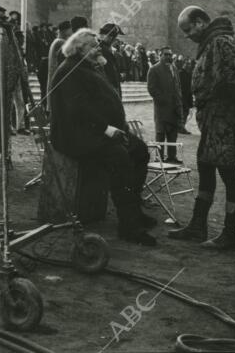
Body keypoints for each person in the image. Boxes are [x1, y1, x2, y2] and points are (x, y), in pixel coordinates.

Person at [49, 28, 156, 246]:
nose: (99, 47)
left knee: (140, 151)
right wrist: (107, 129)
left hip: (96, 131)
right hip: (75, 136)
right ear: (79, 50)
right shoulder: (71, 70)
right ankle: (128, 225)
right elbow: (77, 110)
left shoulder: (88, 66)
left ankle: (134, 211)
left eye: (98, 43)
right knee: (120, 158)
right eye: (93, 45)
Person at [169, 6, 235, 250]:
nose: (188, 35)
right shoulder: (213, 42)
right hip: (213, 121)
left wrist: (216, 103)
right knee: (206, 167)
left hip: (224, 121)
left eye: (189, 29)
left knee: (229, 174)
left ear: (201, 22)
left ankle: (230, 234)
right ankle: (198, 226)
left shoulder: (222, 43)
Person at [147, 46, 183, 163]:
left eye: (170, 54)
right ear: (160, 55)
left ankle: (172, 157)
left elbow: (177, 86)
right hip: (162, 108)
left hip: (174, 107)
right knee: (161, 134)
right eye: (165, 54)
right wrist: (164, 99)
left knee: (173, 133)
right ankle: (159, 158)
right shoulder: (154, 69)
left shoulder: (174, 68)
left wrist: (178, 102)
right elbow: (152, 89)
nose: (168, 57)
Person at [46, 20, 72, 107]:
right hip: (58, 81)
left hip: (55, 79)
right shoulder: (61, 42)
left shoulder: (56, 41)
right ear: (65, 30)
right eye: (71, 30)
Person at [98, 23, 124, 99]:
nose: (114, 40)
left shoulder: (102, 48)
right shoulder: (104, 50)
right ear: (110, 37)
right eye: (114, 37)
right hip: (108, 91)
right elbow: (110, 73)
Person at [178, 58, 194, 135]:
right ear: (183, 64)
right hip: (182, 95)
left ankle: (182, 126)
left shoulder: (189, 74)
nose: (188, 65)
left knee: (186, 111)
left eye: (189, 64)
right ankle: (181, 127)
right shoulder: (180, 73)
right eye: (187, 64)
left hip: (187, 95)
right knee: (183, 112)